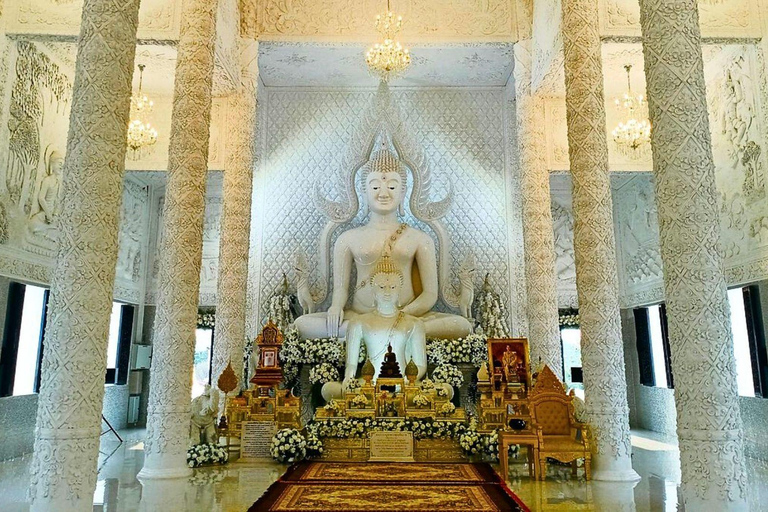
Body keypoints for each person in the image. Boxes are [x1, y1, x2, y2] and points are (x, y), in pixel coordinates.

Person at [295, 149, 471, 340]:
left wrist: (402, 316)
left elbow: (430, 294)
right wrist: (336, 307)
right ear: (363, 192)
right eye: (375, 187)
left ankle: (374, 333)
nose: (384, 193)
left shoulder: (420, 239)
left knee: (461, 325)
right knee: (301, 324)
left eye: (393, 187)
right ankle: (379, 332)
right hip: (361, 316)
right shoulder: (347, 239)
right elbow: (341, 290)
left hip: (407, 317)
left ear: (403, 192)